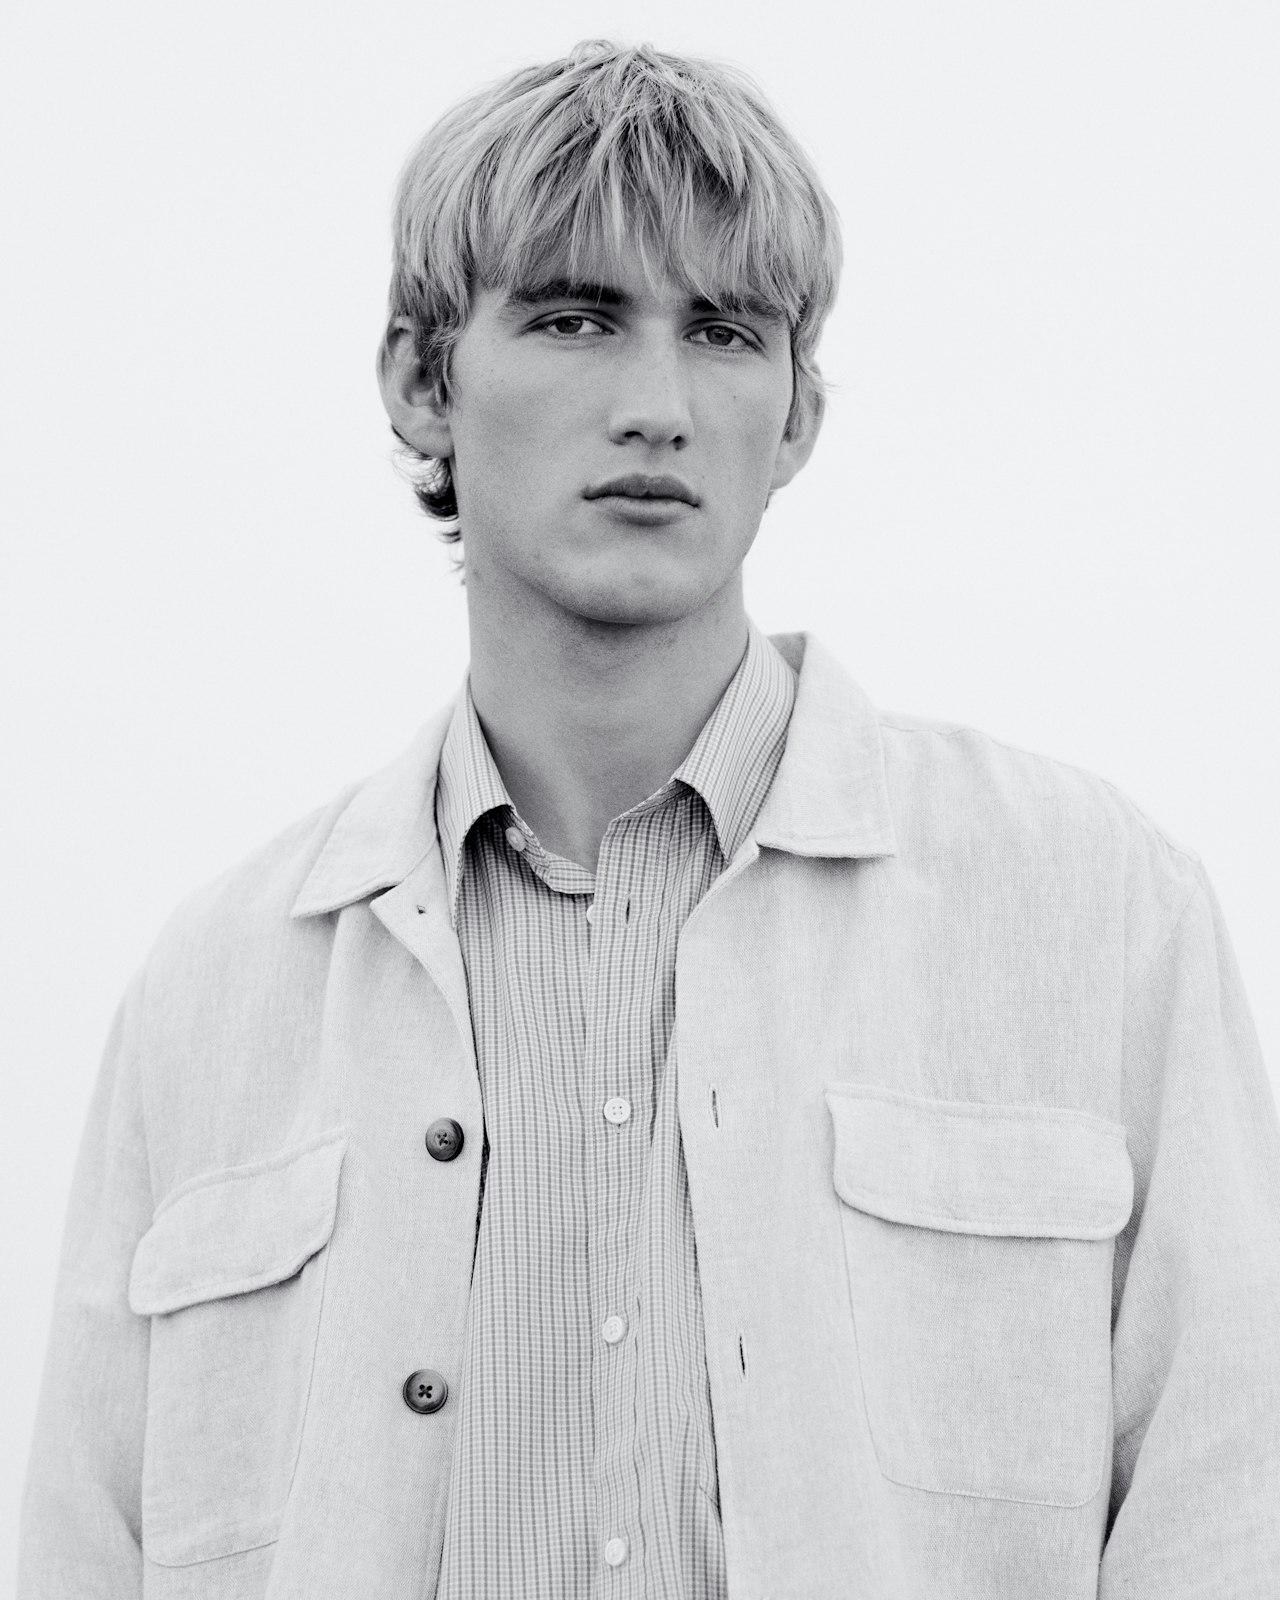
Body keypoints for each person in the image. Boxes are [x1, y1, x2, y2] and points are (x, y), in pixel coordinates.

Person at [18, 38, 1280, 1600]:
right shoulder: (213, 993)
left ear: (801, 412)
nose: (661, 406)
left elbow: (1232, 1513)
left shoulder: (1095, 911)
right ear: (423, 381)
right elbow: (83, 1551)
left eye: (729, 334)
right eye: (574, 319)